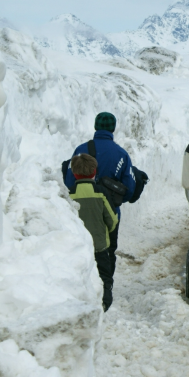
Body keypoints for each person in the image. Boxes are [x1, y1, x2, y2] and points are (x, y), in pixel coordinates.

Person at [64, 112, 136, 292]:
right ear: (113, 128)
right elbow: (129, 187)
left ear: (96, 126)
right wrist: (115, 200)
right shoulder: (121, 154)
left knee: (80, 250)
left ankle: (84, 287)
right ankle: (105, 288)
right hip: (108, 212)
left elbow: (69, 181)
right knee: (108, 251)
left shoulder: (80, 150)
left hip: (79, 210)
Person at [68, 154, 118, 311]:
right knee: (104, 276)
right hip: (100, 243)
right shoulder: (101, 192)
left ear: (74, 173)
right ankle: (105, 302)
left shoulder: (69, 194)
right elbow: (112, 219)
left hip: (78, 246)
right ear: (94, 172)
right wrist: (106, 232)